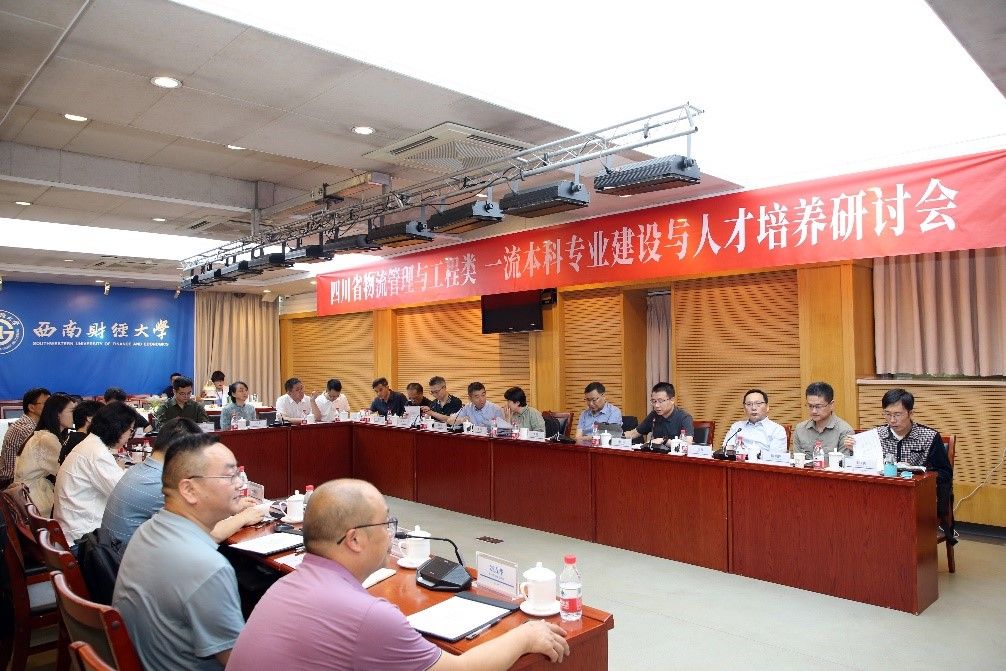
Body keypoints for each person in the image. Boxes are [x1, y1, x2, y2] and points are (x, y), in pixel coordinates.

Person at [227, 479, 570, 670]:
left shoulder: (286, 584)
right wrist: (525, 637)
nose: (393, 533)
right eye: (386, 523)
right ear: (354, 539)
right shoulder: (367, 616)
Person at [113, 434, 247, 670]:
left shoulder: (147, 530)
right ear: (189, 489)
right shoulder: (208, 568)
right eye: (230, 475)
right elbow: (241, 663)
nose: (240, 484)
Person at [102, 418, 261, 545]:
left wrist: (231, 507)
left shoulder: (140, 469)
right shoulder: (162, 483)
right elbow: (206, 535)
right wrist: (243, 517)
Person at [843, 388, 955, 542]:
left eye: (897, 414)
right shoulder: (876, 436)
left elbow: (945, 473)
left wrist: (919, 476)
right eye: (887, 414)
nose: (892, 420)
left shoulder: (929, 437)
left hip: (915, 498)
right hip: (881, 496)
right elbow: (862, 468)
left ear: (910, 413)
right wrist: (853, 450)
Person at [53, 402, 133, 544]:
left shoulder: (90, 445)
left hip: (71, 529)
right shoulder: (96, 453)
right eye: (131, 430)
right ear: (118, 429)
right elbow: (124, 496)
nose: (130, 435)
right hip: (83, 541)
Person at [15, 393, 75, 516]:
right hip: (35, 499)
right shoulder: (47, 438)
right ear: (57, 414)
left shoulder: (43, 434)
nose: (76, 415)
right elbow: (66, 471)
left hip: (27, 495)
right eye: (72, 411)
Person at [1, 387, 51, 489]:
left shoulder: (32, 425)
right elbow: (45, 458)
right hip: (13, 483)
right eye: (46, 404)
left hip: (22, 478)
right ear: (31, 407)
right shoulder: (26, 428)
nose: (51, 407)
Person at [793, 381, 855, 457]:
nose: (814, 411)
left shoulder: (844, 431)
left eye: (818, 406)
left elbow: (843, 462)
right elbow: (796, 460)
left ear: (831, 405)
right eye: (810, 406)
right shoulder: (800, 429)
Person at [721, 389, 788, 456]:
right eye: (749, 404)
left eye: (758, 403)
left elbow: (775, 458)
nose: (753, 408)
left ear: (767, 407)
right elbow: (726, 451)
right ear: (744, 409)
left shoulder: (777, 430)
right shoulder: (737, 427)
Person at [624, 382, 693, 443]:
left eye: (660, 401)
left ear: (672, 400)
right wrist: (618, 437)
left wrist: (664, 441)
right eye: (654, 401)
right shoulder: (654, 415)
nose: (656, 405)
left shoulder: (684, 418)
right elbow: (634, 433)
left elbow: (687, 443)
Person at [59, 399, 102, 464]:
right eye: (102, 417)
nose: (105, 422)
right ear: (89, 418)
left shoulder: (74, 437)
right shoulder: (84, 441)